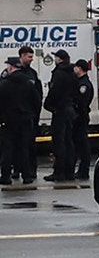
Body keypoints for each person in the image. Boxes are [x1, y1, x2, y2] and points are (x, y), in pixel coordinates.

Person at [7, 47, 41, 184]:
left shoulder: (32, 74)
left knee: (29, 145)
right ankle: (16, 169)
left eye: (32, 57)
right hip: (13, 117)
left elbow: (37, 96)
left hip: (28, 116)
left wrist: (35, 114)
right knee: (13, 145)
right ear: (21, 56)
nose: (31, 59)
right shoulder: (9, 75)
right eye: (29, 57)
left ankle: (30, 171)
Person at [43, 48, 77, 181]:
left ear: (60, 59)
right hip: (70, 110)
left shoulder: (59, 73)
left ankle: (59, 171)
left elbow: (54, 91)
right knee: (69, 141)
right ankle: (70, 171)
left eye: (56, 57)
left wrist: (48, 104)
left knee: (59, 142)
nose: (55, 59)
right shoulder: (72, 73)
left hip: (60, 110)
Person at [71, 59, 95, 181]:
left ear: (79, 69)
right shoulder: (80, 82)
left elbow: (81, 102)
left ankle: (83, 170)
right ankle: (80, 170)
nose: (74, 69)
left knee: (83, 145)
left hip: (81, 117)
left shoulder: (84, 84)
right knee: (78, 144)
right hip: (79, 116)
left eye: (75, 67)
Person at [0, 56, 19, 185]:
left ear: (11, 67)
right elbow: (36, 99)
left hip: (7, 120)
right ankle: (26, 174)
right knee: (23, 147)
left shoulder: (5, 84)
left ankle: (6, 175)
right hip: (24, 119)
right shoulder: (28, 81)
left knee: (7, 148)